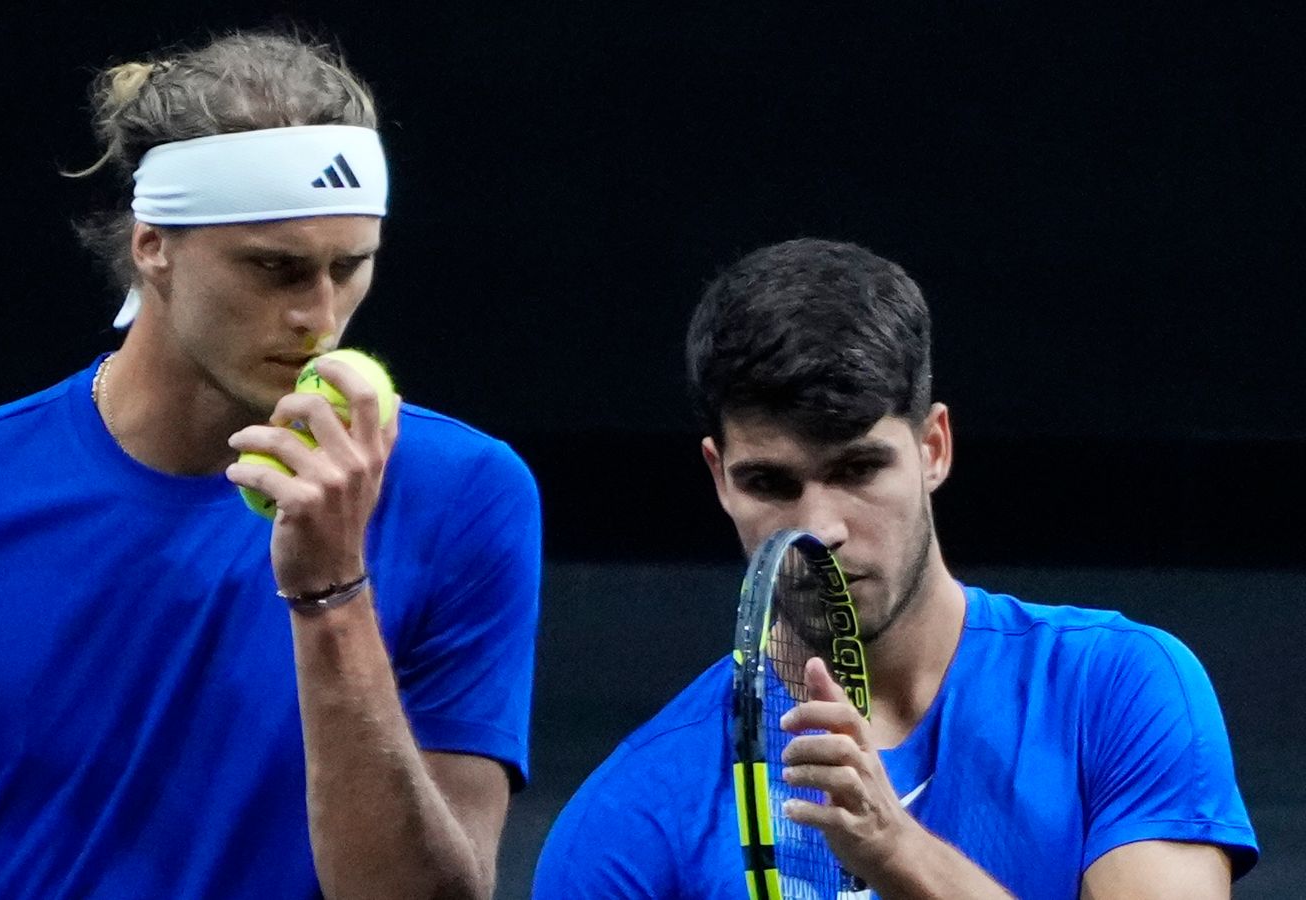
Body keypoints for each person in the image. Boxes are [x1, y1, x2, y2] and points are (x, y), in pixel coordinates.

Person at [0, 31, 540, 899]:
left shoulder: (469, 494)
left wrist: (331, 593)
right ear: (154, 244)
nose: (319, 314)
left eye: (352, 267)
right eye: (275, 268)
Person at [533, 238, 1256, 898]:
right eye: (770, 483)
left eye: (858, 467)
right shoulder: (626, 826)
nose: (820, 530)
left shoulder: (1117, 692)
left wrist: (896, 850)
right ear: (720, 478)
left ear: (933, 448)